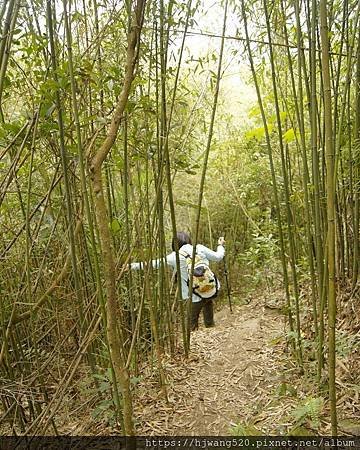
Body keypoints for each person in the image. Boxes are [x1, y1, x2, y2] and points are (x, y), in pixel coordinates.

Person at [130, 231, 225, 331]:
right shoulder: (199, 248)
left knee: (191, 322)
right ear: (188, 240)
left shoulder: (174, 257)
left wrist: (132, 266)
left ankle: (193, 337)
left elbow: (153, 264)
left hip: (194, 294)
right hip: (210, 288)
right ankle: (210, 329)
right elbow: (218, 257)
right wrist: (220, 245)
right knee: (208, 304)